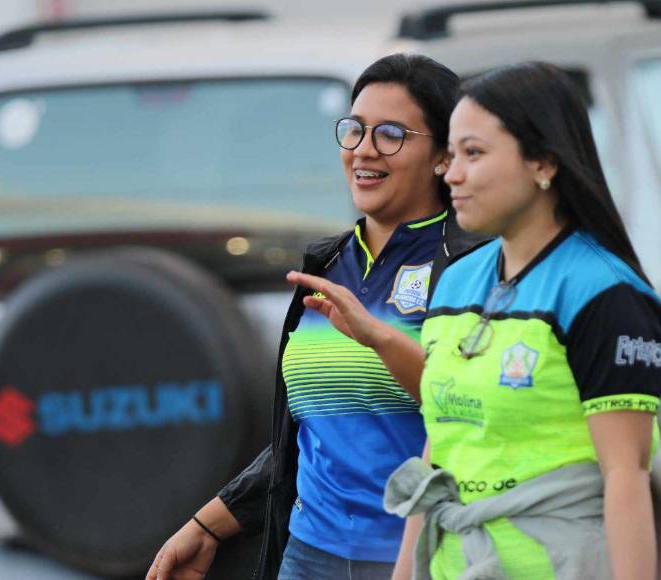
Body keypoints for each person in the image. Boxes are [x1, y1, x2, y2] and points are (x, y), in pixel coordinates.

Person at [286, 61, 661, 580]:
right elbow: (439, 452)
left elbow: (627, 481)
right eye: (452, 154)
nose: (452, 173)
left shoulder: (606, 295)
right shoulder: (460, 282)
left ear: (543, 163)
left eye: (474, 153)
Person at [146, 53, 488, 580]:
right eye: (354, 130)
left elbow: (473, 409)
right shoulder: (326, 263)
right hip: (308, 553)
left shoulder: (470, 265)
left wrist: (382, 341)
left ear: (443, 156)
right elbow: (305, 434)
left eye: (391, 134)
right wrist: (209, 524)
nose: (364, 150)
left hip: (419, 556)